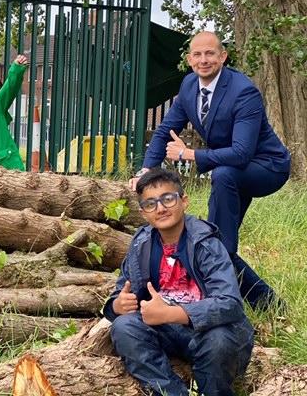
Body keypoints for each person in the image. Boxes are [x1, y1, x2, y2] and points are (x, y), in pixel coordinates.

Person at [130, 31, 290, 310]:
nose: (204, 60)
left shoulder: (243, 91)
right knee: (217, 244)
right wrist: (146, 170)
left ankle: (219, 296)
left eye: (210, 54)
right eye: (198, 55)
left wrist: (189, 154)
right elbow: (164, 133)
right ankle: (268, 305)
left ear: (223, 57)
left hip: (267, 167)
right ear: (190, 59)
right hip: (231, 171)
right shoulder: (190, 86)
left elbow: (242, 153)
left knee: (224, 177)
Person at [105, 168, 254, 396]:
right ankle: (171, 392)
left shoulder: (206, 243)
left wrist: (169, 314)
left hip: (208, 331)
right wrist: (118, 305)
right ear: (144, 213)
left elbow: (230, 303)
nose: (161, 208)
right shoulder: (141, 244)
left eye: (168, 199)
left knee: (220, 342)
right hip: (165, 331)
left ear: (184, 201)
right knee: (124, 328)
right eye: (150, 204)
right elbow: (120, 290)